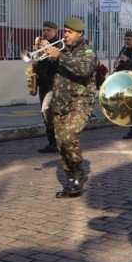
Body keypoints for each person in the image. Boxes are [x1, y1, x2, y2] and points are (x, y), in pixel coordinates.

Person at [44, 17, 97, 198]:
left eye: (69, 32)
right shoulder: (62, 50)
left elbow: (83, 69)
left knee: (68, 136)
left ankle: (78, 172)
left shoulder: (87, 51)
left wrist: (59, 56)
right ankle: (71, 179)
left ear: (80, 34)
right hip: (60, 104)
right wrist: (42, 52)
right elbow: (45, 71)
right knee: (61, 144)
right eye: (64, 31)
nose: (65, 35)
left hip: (79, 103)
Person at [33, 21, 60, 153]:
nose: (45, 32)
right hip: (43, 83)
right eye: (44, 30)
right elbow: (37, 65)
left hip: (54, 85)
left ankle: (56, 143)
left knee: (49, 112)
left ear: (55, 31)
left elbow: (58, 65)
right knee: (45, 114)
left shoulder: (59, 45)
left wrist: (47, 50)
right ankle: (52, 142)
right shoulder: (40, 45)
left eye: (49, 30)